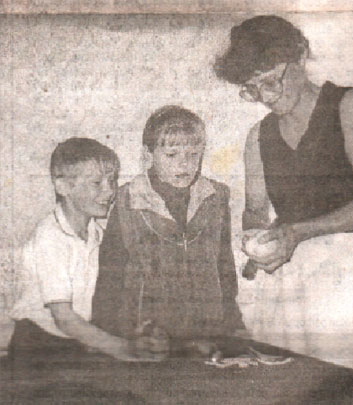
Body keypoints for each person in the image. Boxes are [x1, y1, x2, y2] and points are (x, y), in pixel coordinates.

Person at [214, 15, 353, 388]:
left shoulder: (349, 105)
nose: (265, 97)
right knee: (289, 391)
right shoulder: (258, 136)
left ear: (299, 56)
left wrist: (297, 232)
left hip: (350, 278)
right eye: (252, 89)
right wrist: (257, 240)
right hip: (289, 281)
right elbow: (255, 210)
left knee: (346, 389)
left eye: (270, 81)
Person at [91, 105, 245, 341]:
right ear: (148, 155)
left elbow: (224, 266)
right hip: (147, 331)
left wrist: (233, 324)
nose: (184, 164)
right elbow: (110, 274)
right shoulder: (127, 200)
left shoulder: (215, 197)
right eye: (172, 155)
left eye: (193, 155)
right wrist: (108, 337)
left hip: (205, 330)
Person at [9, 137, 168, 362]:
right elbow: (64, 318)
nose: (109, 191)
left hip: (76, 340)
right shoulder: (50, 237)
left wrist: (137, 331)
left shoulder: (99, 235)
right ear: (63, 186)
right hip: (36, 344)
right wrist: (123, 348)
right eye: (96, 183)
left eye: (112, 181)